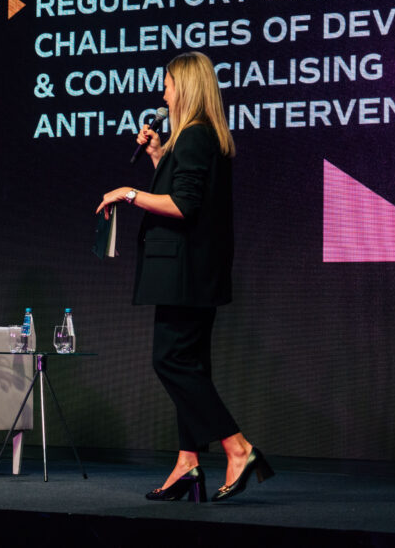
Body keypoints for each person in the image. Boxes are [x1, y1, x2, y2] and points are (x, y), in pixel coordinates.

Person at [96, 51, 273, 502]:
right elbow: (181, 192)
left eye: (169, 84)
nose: (163, 94)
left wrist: (129, 192)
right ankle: (188, 462)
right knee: (190, 364)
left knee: (170, 361)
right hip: (196, 269)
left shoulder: (195, 136)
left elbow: (182, 206)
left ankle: (238, 448)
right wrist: (157, 156)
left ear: (187, 88)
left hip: (185, 271)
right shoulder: (196, 138)